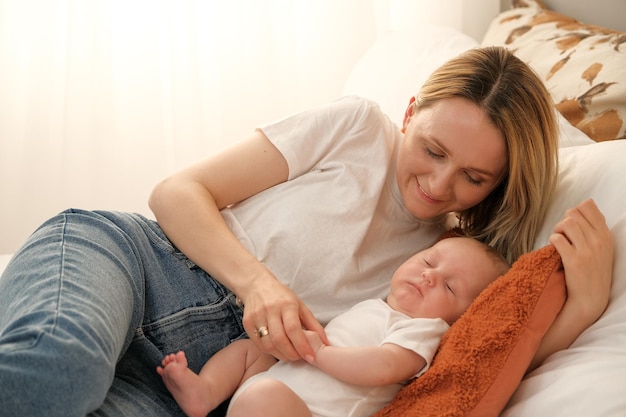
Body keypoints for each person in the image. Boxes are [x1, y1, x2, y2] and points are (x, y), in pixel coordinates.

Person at [0, 46, 613, 417]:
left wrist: (583, 307)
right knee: (62, 371)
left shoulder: (449, 269)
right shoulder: (358, 126)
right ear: (409, 112)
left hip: (205, 382)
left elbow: (473, 361)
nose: (438, 184)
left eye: (473, 177)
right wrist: (261, 286)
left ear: (496, 187)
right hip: (140, 262)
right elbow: (177, 193)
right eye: (431, 149)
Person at [156, 236, 510, 417]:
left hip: (306, 410)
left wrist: (321, 352)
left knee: (265, 396)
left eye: (450, 286)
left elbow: (385, 366)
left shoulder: (423, 329)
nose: (430, 276)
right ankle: (205, 392)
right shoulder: (376, 305)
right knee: (254, 347)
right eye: (428, 261)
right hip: (274, 390)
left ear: (461, 319)